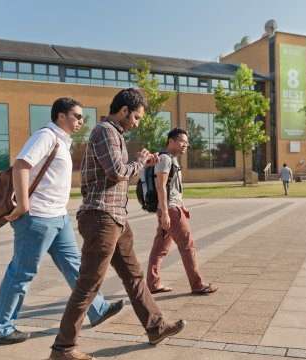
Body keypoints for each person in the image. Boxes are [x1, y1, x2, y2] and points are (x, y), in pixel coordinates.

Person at [50, 89, 185, 360]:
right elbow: (116, 171)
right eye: (136, 117)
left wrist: (142, 162)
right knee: (88, 284)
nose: (137, 122)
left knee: (134, 276)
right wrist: (138, 161)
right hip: (101, 217)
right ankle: (63, 349)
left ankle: (155, 327)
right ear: (124, 110)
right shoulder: (105, 131)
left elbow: (118, 173)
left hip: (115, 218)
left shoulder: (116, 134)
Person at [0, 98, 123, 345]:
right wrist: (25, 205)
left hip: (58, 217)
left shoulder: (62, 141)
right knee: (21, 272)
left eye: (82, 117)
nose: (81, 120)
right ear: (61, 116)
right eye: (77, 116)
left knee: (76, 267)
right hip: (37, 218)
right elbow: (20, 166)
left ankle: (97, 308)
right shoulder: (46, 136)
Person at [147, 128, 218, 295]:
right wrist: (165, 212)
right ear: (171, 141)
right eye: (182, 141)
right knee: (187, 245)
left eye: (187, 142)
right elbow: (161, 186)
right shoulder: (165, 158)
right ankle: (197, 284)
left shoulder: (172, 159)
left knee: (160, 247)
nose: (185, 144)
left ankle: (152, 283)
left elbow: (172, 187)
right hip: (170, 209)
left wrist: (182, 205)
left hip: (171, 207)